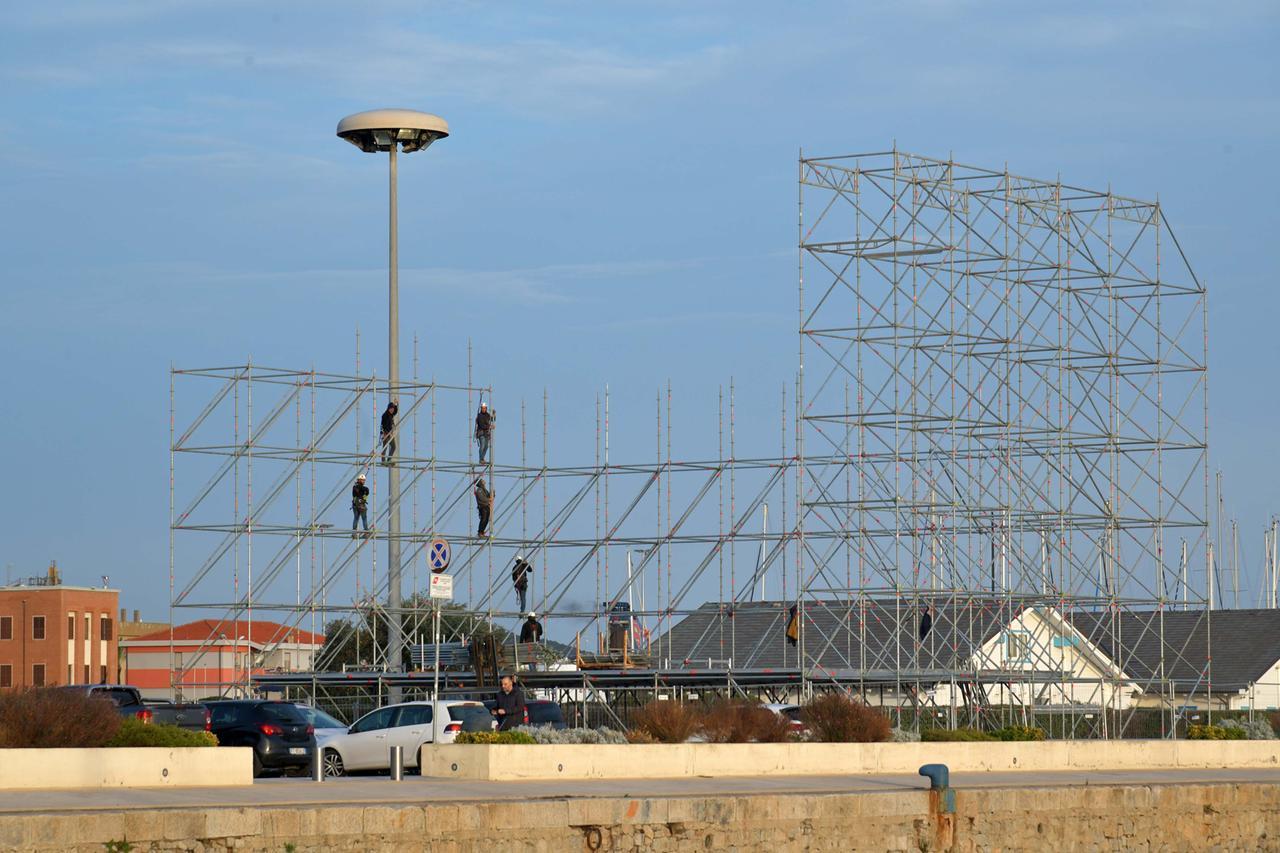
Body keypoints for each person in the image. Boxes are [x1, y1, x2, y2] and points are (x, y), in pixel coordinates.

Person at [351, 473, 370, 538]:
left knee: (356, 518)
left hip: (356, 505)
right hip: (360, 505)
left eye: (364, 480)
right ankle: (366, 532)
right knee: (363, 518)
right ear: (359, 480)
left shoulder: (355, 487)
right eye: (362, 480)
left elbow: (365, 492)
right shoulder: (361, 488)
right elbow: (363, 492)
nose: (363, 481)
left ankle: (354, 533)